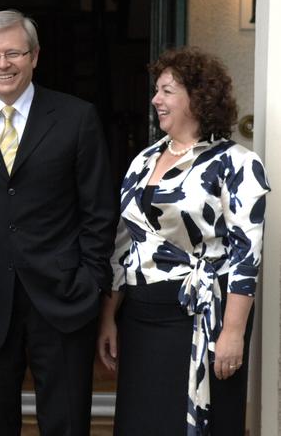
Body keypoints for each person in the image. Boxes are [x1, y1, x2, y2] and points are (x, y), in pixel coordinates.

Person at [0, 9, 116, 435]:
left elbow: (99, 208)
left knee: (67, 421)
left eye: (13, 52)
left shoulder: (76, 117)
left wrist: (90, 279)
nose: (3, 64)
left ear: (35, 56)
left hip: (63, 296)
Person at [97, 47, 270, 436]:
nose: (156, 100)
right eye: (156, 91)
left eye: (167, 91)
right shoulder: (143, 160)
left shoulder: (237, 162)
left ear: (199, 96)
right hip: (141, 318)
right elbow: (124, 246)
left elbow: (246, 257)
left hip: (202, 318)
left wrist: (233, 332)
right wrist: (109, 316)